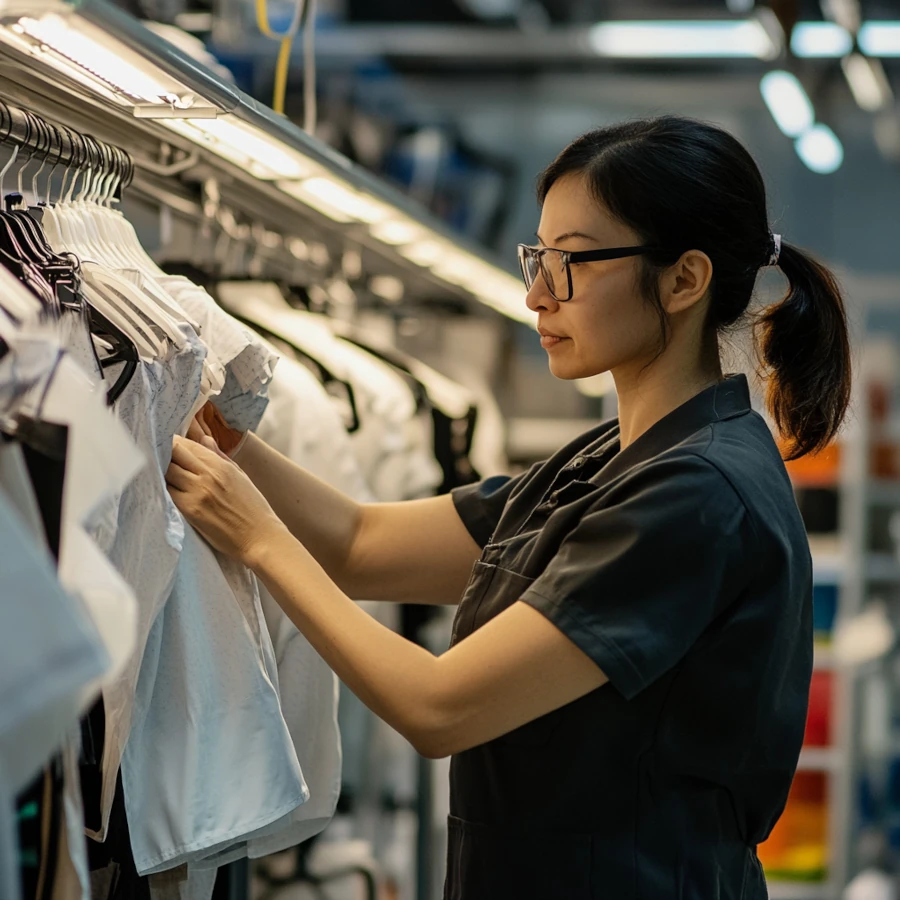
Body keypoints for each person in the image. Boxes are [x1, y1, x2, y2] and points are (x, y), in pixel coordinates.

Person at [165, 116, 851, 899]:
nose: (535, 294)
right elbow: (359, 544)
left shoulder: (700, 496)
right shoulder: (611, 460)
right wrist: (215, 431)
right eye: (537, 258)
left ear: (683, 280)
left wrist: (257, 539)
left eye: (569, 264)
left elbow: (437, 708)